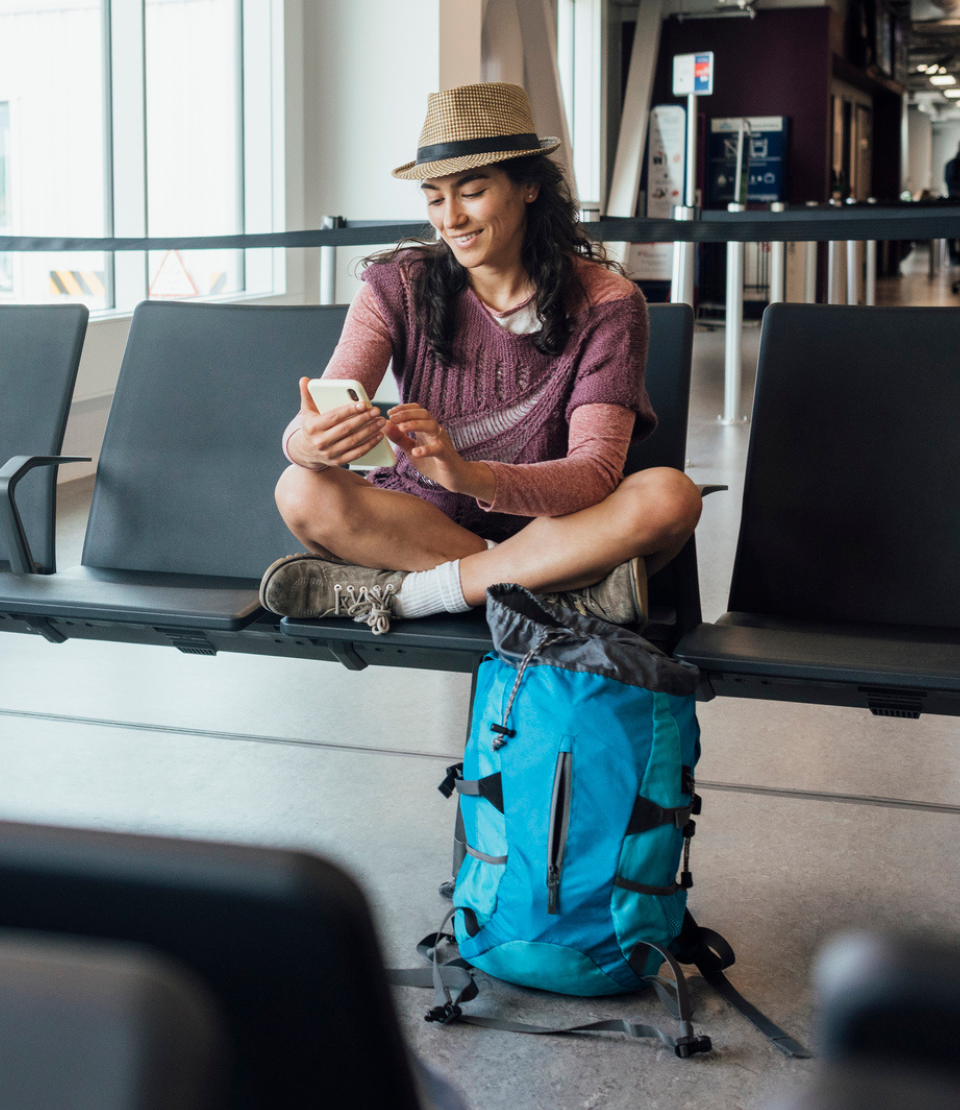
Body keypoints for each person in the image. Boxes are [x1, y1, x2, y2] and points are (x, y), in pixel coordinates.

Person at [259, 82, 702, 634]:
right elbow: (312, 421)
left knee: (669, 496)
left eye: (471, 191)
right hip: (426, 522)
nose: (451, 219)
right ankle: (560, 590)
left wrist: (468, 476)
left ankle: (413, 595)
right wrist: (310, 443)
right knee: (299, 487)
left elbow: (594, 473)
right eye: (435, 198)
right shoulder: (397, 286)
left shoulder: (607, 303)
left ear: (529, 187)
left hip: (558, 522)